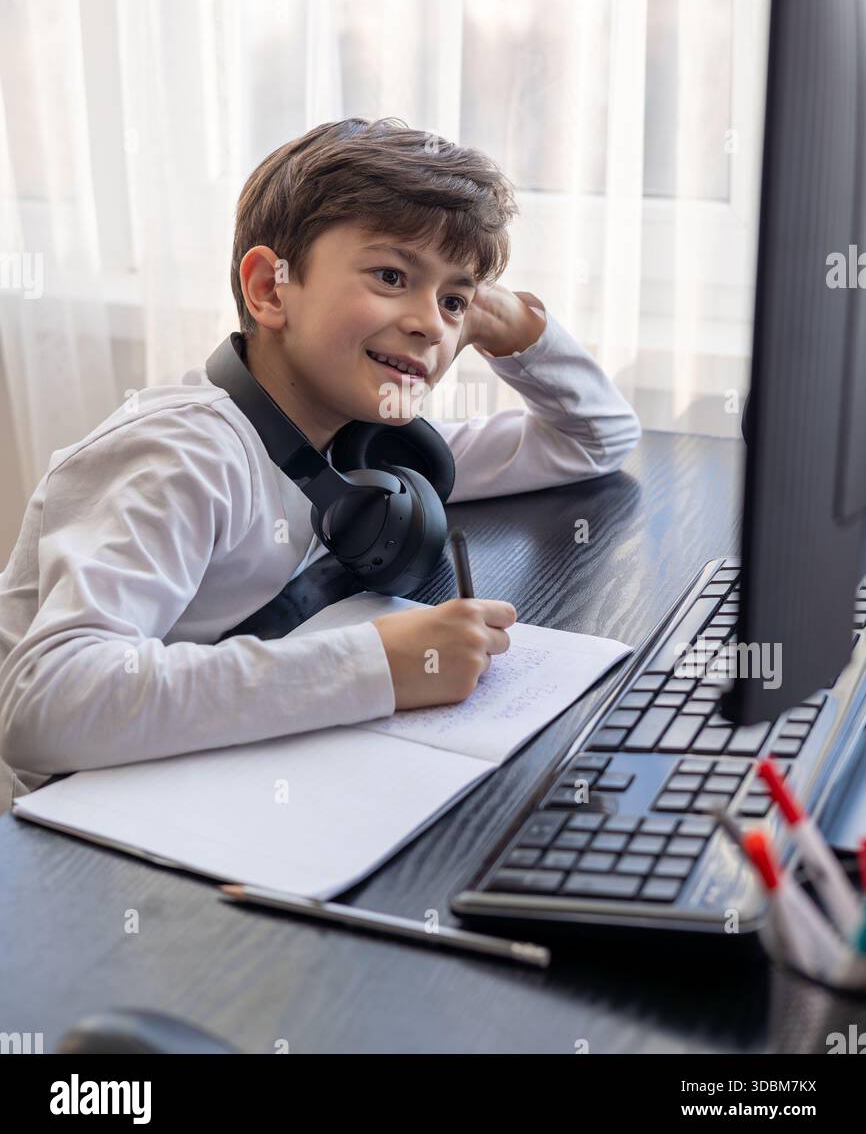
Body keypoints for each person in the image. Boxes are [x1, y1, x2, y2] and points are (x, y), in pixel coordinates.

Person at [0, 117, 641, 799]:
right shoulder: (181, 454)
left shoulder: (367, 444)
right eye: (392, 274)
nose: (431, 322)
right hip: (89, 836)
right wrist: (380, 665)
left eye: (454, 299)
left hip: (216, 779)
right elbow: (46, 707)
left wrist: (510, 320)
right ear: (271, 289)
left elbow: (593, 438)